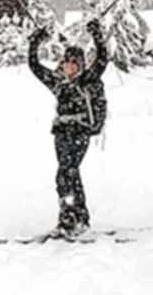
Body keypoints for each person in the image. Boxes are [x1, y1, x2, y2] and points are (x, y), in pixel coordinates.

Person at [28, 18, 107, 237]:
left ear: (80, 65)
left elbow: (102, 60)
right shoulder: (57, 81)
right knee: (68, 174)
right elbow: (34, 66)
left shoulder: (88, 80)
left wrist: (97, 35)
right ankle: (78, 216)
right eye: (66, 62)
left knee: (67, 172)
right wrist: (36, 41)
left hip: (80, 131)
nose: (69, 67)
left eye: (73, 63)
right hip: (61, 133)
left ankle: (70, 217)